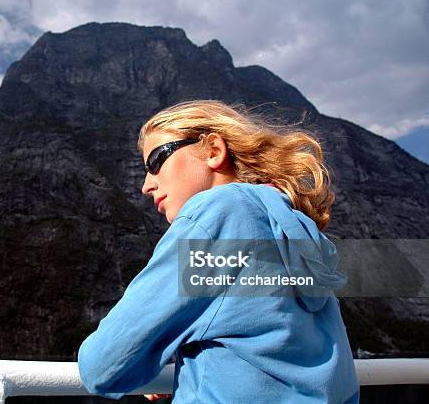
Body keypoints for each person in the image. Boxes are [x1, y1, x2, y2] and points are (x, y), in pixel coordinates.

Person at [77, 100, 360, 403]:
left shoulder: (218, 214)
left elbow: (101, 364)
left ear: (213, 151)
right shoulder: (297, 229)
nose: (146, 185)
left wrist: (148, 362)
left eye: (156, 161)